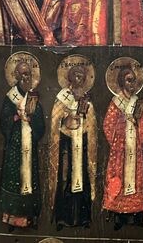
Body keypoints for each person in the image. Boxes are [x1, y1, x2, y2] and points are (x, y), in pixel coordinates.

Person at [49, 61, 98, 230]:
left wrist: (84, 120)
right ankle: (62, 219)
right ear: (70, 77)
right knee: (65, 178)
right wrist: (67, 118)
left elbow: (92, 125)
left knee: (83, 178)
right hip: (66, 143)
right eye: (76, 76)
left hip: (82, 143)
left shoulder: (86, 99)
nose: (79, 79)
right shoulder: (63, 97)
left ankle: (83, 219)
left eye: (82, 77)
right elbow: (55, 121)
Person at [0, 57, 45, 231]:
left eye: (29, 74)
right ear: (16, 75)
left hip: (29, 145)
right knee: (14, 179)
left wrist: (32, 118)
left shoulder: (33, 96)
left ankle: (30, 218)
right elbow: (3, 121)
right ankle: (12, 220)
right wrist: (16, 117)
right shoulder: (11, 97)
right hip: (15, 146)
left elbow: (40, 124)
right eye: (23, 74)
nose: (26, 77)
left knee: (30, 179)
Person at [103, 59, 143, 230]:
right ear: (122, 81)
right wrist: (120, 137)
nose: (132, 84)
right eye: (129, 80)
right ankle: (118, 217)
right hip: (120, 151)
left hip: (134, 149)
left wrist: (136, 128)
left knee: (136, 180)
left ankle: (136, 216)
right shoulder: (116, 102)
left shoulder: (138, 102)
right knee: (119, 180)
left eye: (134, 81)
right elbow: (108, 125)